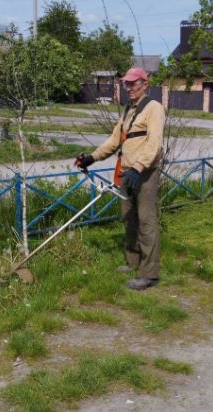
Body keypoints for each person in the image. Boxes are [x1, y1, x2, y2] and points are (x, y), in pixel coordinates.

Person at [75, 67, 165, 291]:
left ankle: (149, 273)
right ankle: (133, 262)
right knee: (129, 218)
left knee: (146, 221)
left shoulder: (153, 108)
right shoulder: (128, 110)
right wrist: (92, 158)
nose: (130, 88)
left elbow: (154, 144)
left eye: (134, 83)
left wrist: (138, 167)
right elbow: (115, 140)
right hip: (127, 173)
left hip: (144, 173)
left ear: (145, 84)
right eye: (127, 84)